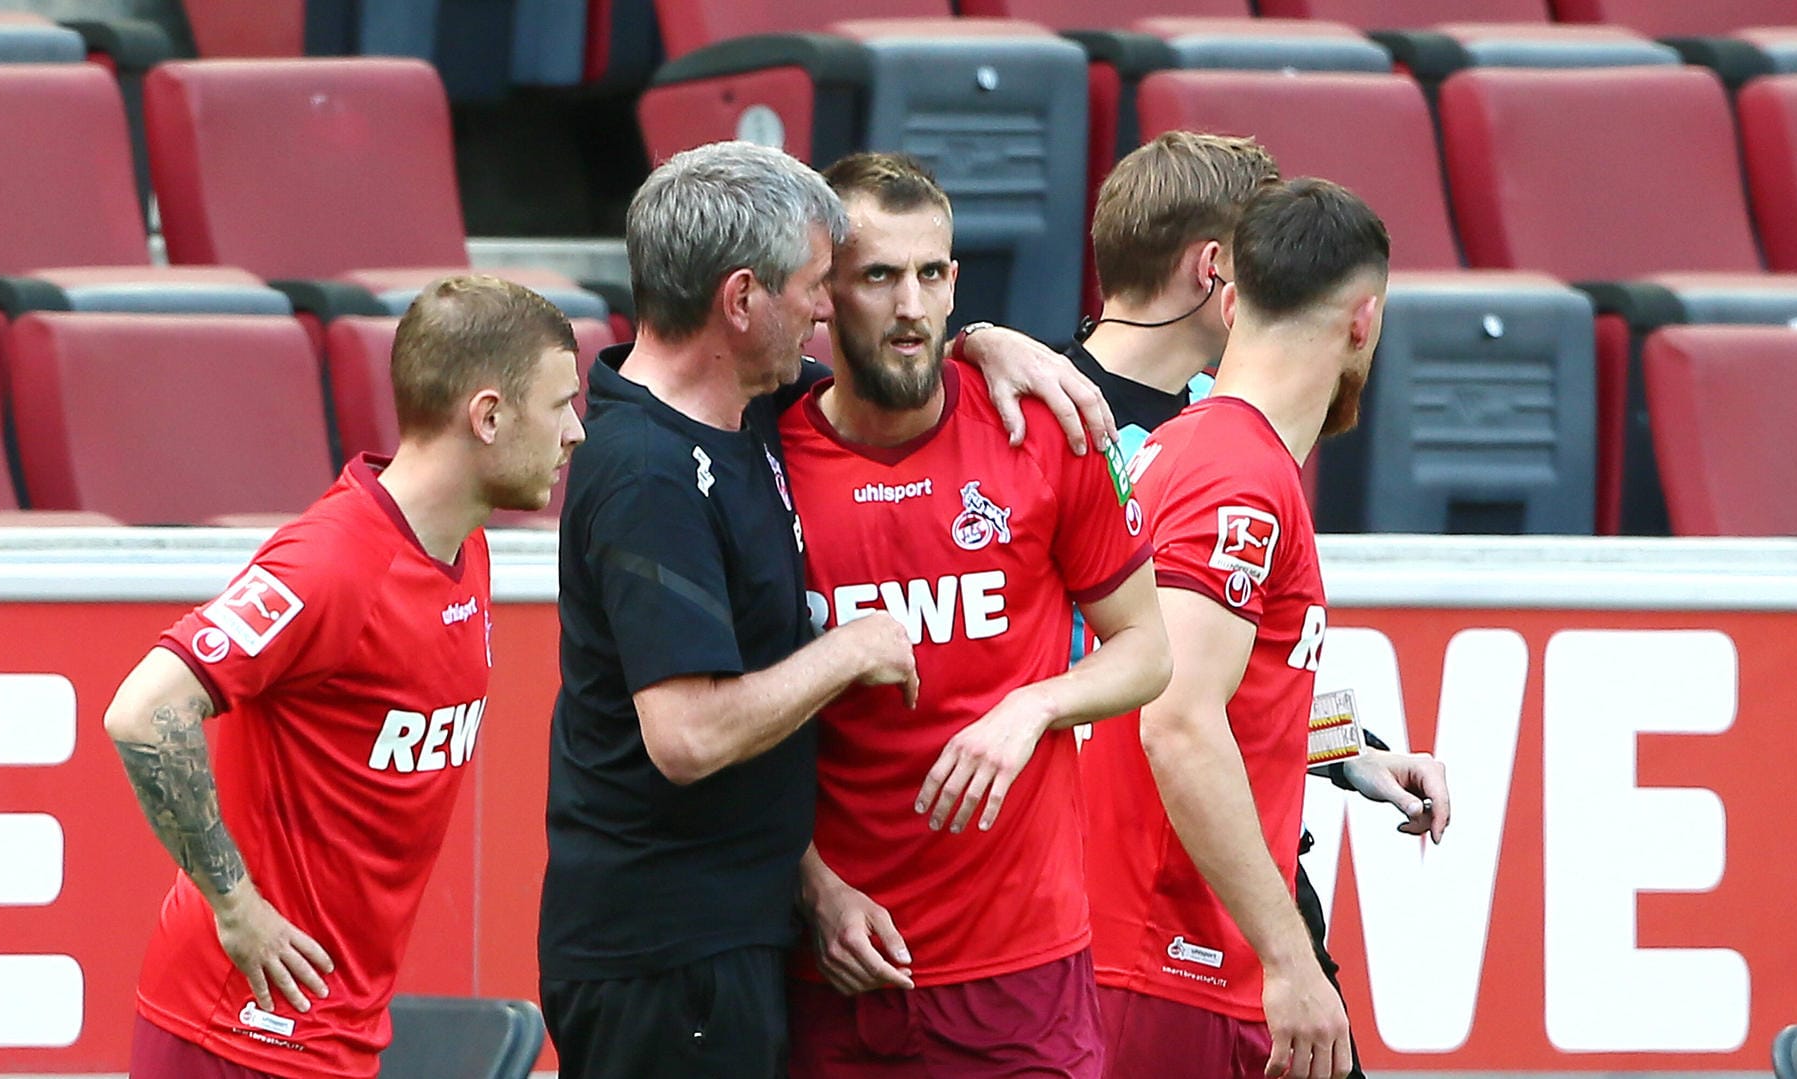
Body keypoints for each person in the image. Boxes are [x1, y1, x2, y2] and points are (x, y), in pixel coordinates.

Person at [539, 141, 1118, 1079]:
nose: (821, 310)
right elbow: (686, 736)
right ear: (740, 300)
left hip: (752, 945)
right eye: (828, 283)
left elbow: (894, 365)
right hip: (666, 958)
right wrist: (849, 652)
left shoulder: (743, 419)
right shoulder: (652, 467)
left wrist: (979, 339)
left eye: (932, 275)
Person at [104, 275, 586, 1079]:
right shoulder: (332, 563)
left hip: (333, 1031)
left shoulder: (465, 548)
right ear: (490, 415)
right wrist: (235, 905)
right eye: (560, 403)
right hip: (236, 1029)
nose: (575, 431)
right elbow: (144, 710)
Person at [780, 151, 1171, 1078]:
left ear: (956, 283)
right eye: (878, 275)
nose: (910, 304)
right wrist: (810, 888)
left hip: (1021, 974)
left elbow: (1147, 648)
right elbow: (728, 714)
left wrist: (1034, 705)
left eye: (930, 274)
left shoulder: (1043, 430)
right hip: (831, 963)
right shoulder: (767, 459)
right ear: (825, 295)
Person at [1076, 137, 1452, 1079]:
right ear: (1364, 320)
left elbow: (1220, 691)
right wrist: (1290, 960)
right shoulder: (1237, 475)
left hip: (1162, 946)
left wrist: (1346, 751)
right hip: (1174, 955)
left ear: (1236, 300)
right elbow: (1177, 718)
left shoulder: (1194, 446)